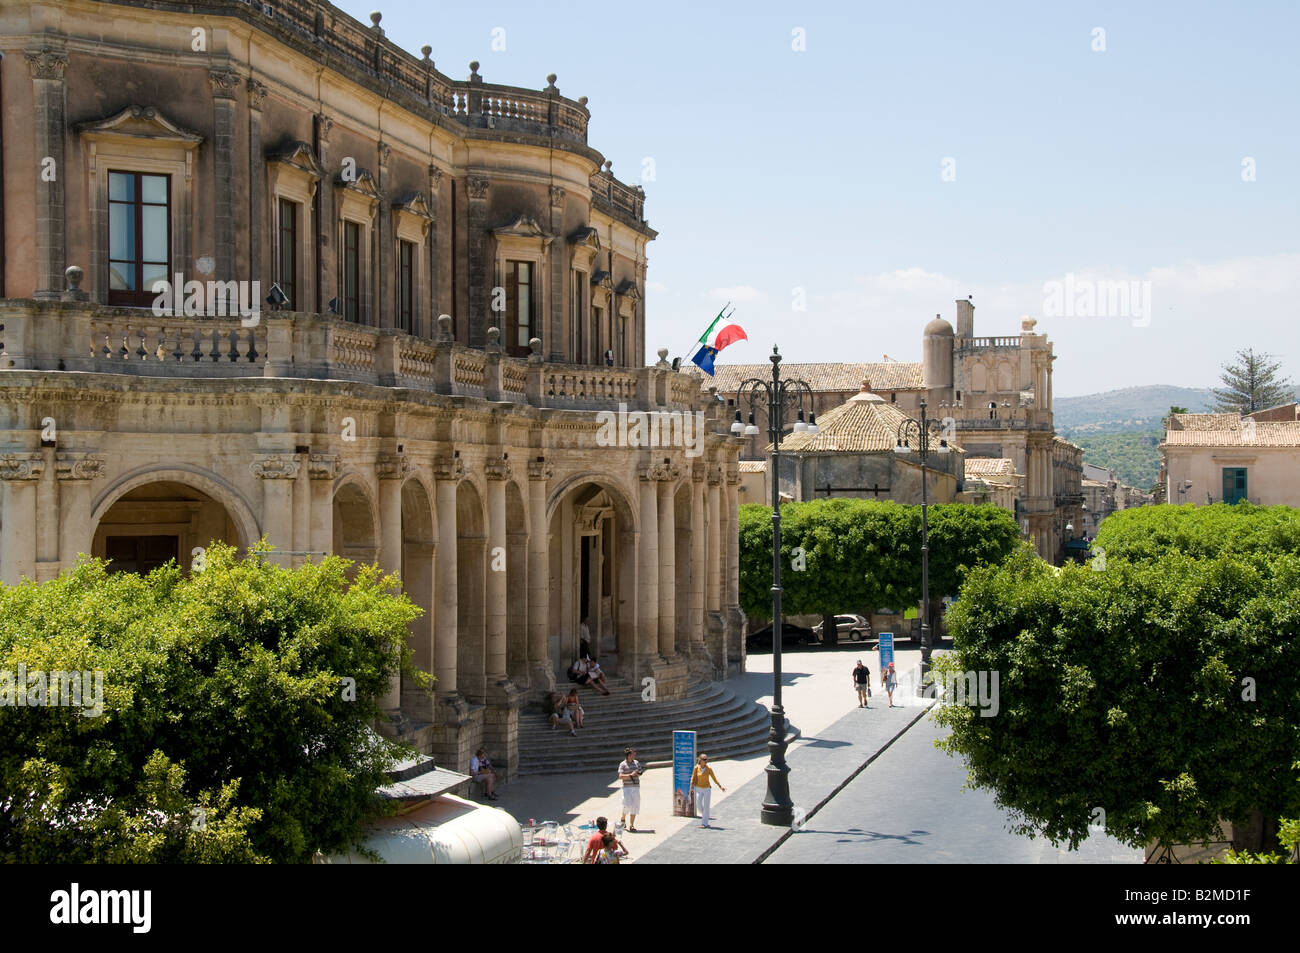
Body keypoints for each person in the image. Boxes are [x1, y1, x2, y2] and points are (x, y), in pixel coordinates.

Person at [690, 753, 725, 829]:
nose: (706, 761)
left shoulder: (709, 769)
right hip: (698, 789)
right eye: (704, 759)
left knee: (706, 806)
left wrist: (720, 786)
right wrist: (691, 788)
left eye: (706, 759)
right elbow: (693, 777)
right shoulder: (696, 768)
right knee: (698, 804)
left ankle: (704, 823)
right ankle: (706, 816)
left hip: (707, 789)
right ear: (700, 760)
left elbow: (714, 778)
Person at [618, 746, 643, 831]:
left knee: (635, 805)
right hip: (627, 787)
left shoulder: (636, 763)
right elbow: (620, 776)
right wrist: (630, 775)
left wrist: (637, 773)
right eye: (633, 753)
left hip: (635, 786)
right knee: (626, 805)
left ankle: (632, 825)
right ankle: (623, 818)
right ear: (629, 755)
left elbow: (640, 772)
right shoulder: (623, 764)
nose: (634, 754)